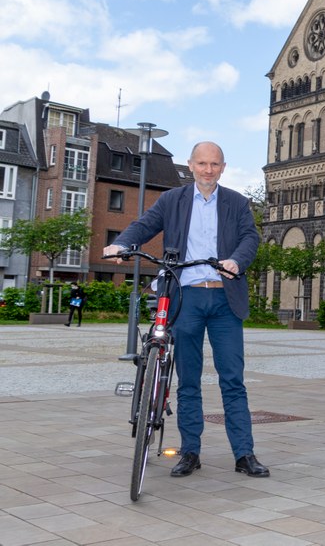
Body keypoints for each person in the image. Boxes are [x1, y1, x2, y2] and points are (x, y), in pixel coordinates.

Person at [103, 142, 268, 479]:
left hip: (224, 299)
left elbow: (250, 238)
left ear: (223, 167)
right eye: (202, 163)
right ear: (190, 165)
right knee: (187, 381)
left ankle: (244, 453)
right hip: (185, 297)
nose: (208, 170)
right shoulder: (172, 200)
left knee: (233, 380)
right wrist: (121, 243)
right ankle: (190, 451)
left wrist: (236, 260)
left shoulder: (237, 203)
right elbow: (144, 225)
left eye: (215, 164)